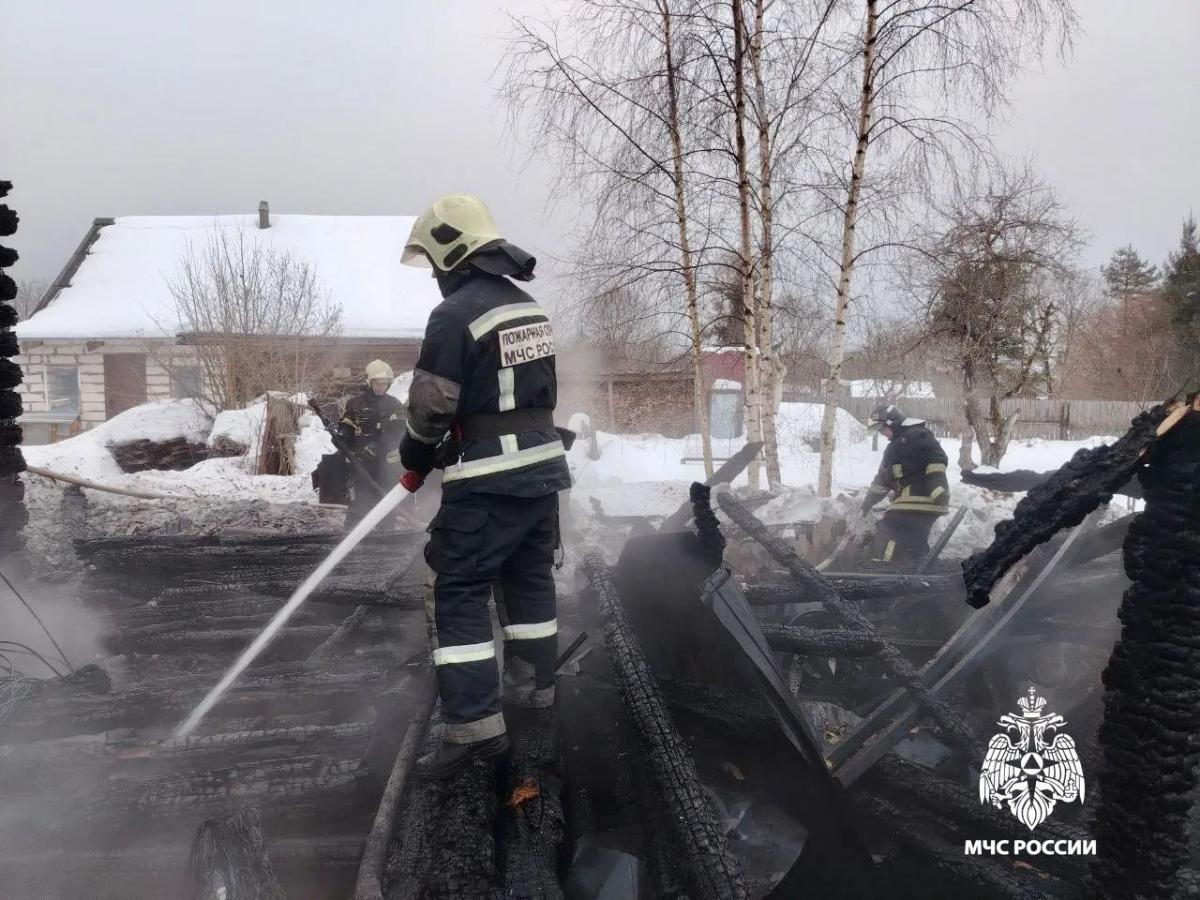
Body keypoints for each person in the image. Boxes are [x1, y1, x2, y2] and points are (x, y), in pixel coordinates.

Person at [398, 194, 571, 777]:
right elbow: (518, 397)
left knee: (460, 589)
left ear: (452, 253)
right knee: (528, 584)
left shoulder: (454, 315)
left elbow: (432, 405)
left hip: (490, 481)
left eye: (434, 262)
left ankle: (474, 730)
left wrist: (416, 453)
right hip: (542, 473)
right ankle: (533, 697)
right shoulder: (528, 307)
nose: (434, 276)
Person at [860, 404, 950, 567]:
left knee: (889, 530)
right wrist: (866, 504)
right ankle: (915, 569)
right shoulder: (893, 447)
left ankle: (884, 568)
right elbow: (882, 481)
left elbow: (936, 458)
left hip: (922, 499)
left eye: (882, 429)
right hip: (910, 503)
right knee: (910, 540)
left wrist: (937, 485)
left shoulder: (917, 435)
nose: (882, 433)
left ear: (892, 423)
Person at [337, 360, 405, 530]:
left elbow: (397, 432)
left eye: (385, 383)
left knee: (385, 506)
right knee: (359, 505)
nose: (381, 387)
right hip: (361, 465)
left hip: (387, 466)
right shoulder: (354, 404)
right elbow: (347, 427)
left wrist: (378, 446)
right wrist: (341, 436)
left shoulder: (395, 405)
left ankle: (386, 538)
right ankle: (353, 538)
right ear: (369, 382)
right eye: (377, 383)